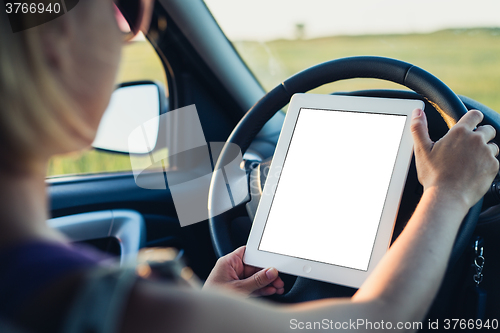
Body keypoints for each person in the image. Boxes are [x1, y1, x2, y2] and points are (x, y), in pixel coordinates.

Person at [0, 1, 498, 332]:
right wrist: (447, 191)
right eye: (123, 10)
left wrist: (209, 305)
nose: (124, 37)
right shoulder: (88, 300)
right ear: (53, 44)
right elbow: (380, 319)